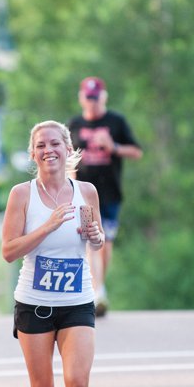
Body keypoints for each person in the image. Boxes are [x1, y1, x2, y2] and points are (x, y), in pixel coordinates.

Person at [2, 120, 105, 387]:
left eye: (55, 143)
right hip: (34, 303)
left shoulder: (86, 191)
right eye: (41, 145)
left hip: (77, 300)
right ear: (33, 154)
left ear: (68, 148)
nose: (49, 150)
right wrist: (46, 226)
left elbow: (96, 241)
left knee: (77, 384)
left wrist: (95, 235)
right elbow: (8, 251)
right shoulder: (22, 195)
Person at [67, 76, 142, 317]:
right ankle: (96, 292)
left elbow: (137, 151)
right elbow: (68, 157)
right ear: (81, 98)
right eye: (88, 98)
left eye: (96, 98)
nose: (92, 103)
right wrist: (70, 183)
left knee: (105, 244)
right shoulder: (74, 124)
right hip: (84, 193)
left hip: (110, 194)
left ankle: (99, 287)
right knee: (92, 240)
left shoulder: (116, 121)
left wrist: (114, 147)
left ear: (104, 97)